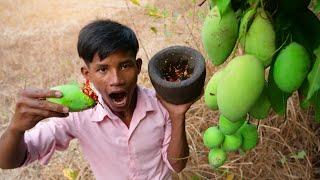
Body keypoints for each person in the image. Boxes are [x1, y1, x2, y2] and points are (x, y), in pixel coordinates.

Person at [0, 19, 200, 179]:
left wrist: (177, 116)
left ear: (138, 66)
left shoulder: (160, 104)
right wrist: (16, 129)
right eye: (103, 69)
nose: (116, 80)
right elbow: (8, 161)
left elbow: (177, 165)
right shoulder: (77, 116)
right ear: (87, 74)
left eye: (125, 66)